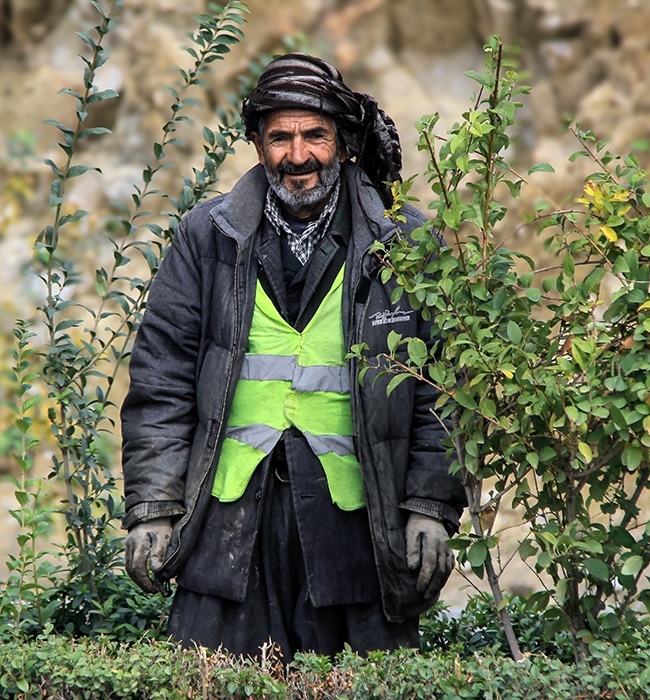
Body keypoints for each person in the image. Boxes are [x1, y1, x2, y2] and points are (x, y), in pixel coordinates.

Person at [120, 53, 466, 660]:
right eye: (280, 136)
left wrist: (430, 506)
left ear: (344, 141)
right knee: (210, 676)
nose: (298, 155)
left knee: (364, 677)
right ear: (257, 144)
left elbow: (446, 388)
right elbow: (162, 379)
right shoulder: (209, 235)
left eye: (315, 135)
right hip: (230, 526)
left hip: (358, 525)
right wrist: (153, 507)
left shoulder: (404, 241)